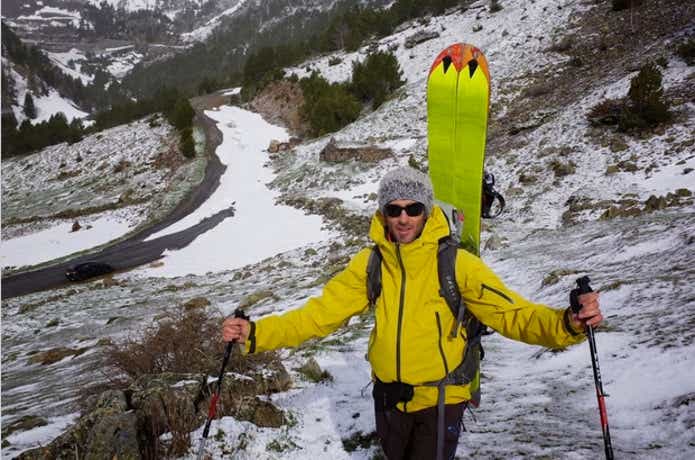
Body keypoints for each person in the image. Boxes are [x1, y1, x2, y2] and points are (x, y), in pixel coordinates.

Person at [222, 166, 603, 460]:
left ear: (426, 210)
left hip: (439, 402)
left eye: (413, 208)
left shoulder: (458, 264)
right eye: (394, 209)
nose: (403, 218)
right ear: (383, 213)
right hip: (388, 399)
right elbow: (319, 314)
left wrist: (566, 323)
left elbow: (512, 315)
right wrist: (256, 334)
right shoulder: (371, 264)